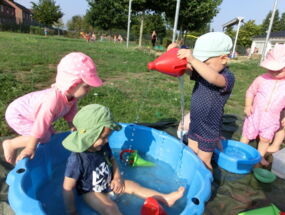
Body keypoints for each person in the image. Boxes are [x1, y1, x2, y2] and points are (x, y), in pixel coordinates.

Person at [62, 104, 185, 215]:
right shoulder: (77, 159)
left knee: (133, 185)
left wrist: (117, 178)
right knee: (110, 208)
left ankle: (165, 198)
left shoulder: (102, 146)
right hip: (91, 192)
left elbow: (112, 160)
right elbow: (68, 188)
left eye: (107, 137)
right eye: (103, 137)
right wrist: (71, 211)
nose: (107, 141)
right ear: (89, 136)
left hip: (110, 184)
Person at [2, 52, 103, 165]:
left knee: (51, 135)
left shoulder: (71, 96)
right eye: (86, 86)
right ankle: (11, 144)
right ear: (72, 84)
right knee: (43, 137)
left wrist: (74, 127)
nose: (89, 90)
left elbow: (71, 113)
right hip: (18, 114)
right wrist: (31, 147)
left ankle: (41, 151)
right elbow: (41, 124)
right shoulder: (52, 101)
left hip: (32, 114)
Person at [175, 32, 235, 171]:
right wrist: (175, 54)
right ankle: (191, 175)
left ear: (223, 59)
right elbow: (188, 70)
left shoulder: (227, 77)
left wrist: (194, 60)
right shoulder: (205, 70)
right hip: (195, 122)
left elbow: (213, 78)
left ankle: (206, 183)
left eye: (205, 62)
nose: (201, 66)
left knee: (203, 162)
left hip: (209, 128)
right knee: (192, 154)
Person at [240, 44, 285, 166]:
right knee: (246, 135)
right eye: (272, 70)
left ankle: (259, 157)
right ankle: (240, 152)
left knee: (265, 139)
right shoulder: (262, 79)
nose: (274, 73)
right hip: (255, 114)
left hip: (271, 118)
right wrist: (248, 105)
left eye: (279, 70)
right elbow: (250, 92)